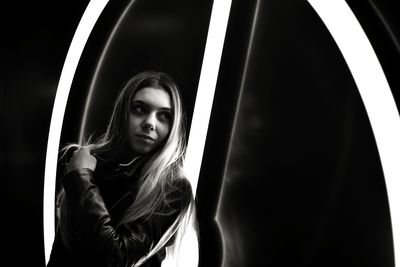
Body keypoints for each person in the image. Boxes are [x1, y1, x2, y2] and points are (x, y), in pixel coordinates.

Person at [47, 70, 198, 267]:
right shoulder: (90, 163)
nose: (150, 123)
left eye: (164, 116)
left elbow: (116, 260)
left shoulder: (172, 188)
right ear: (122, 113)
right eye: (140, 109)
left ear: (173, 125)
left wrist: (82, 180)